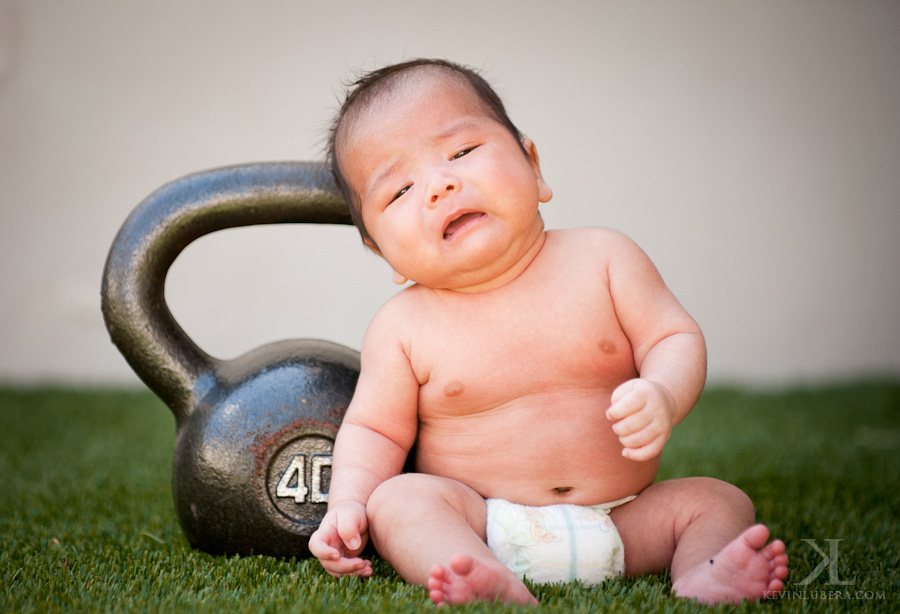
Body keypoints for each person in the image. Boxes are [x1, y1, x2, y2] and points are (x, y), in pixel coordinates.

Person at [308, 58, 788, 606]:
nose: (440, 185)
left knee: (718, 500)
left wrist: (663, 392)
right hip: (482, 521)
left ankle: (704, 574)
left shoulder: (605, 259)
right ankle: (482, 576)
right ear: (381, 249)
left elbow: (673, 338)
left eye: (462, 152)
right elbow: (375, 432)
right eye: (399, 191)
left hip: (625, 518)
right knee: (399, 502)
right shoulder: (402, 326)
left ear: (533, 167)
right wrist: (347, 502)